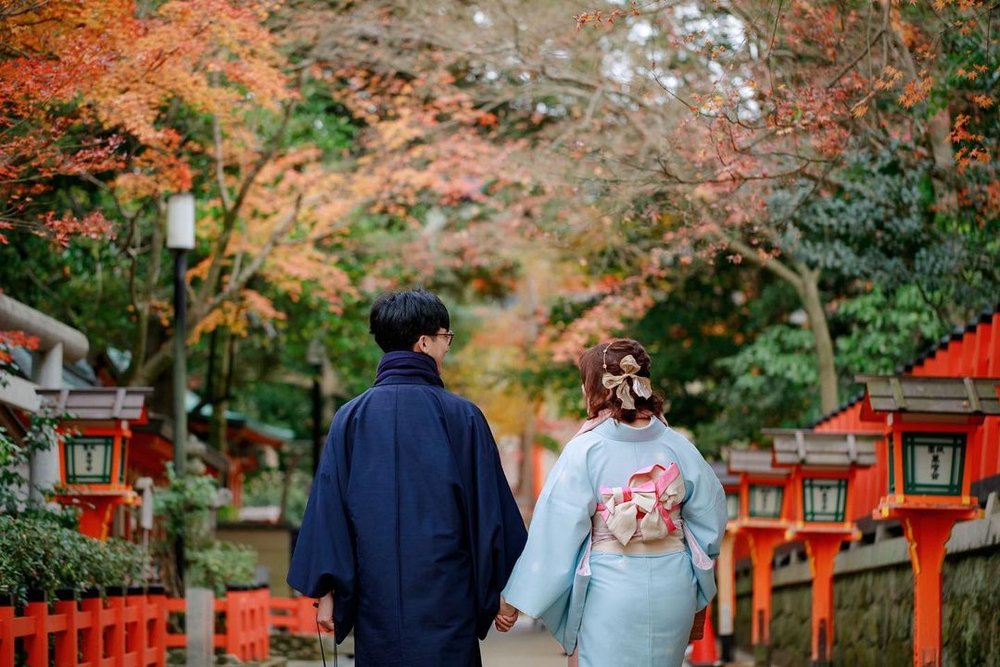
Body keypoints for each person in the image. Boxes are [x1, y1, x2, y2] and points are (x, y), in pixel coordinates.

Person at [287, 288, 527, 666]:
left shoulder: (351, 417)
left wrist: (328, 591)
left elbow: (328, 511)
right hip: (448, 597)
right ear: (424, 342)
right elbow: (489, 511)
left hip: (375, 598)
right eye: (445, 337)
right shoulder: (462, 417)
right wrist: (504, 590)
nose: (447, 347)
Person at [495, 338, 727, 667]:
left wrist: (513, 599)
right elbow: (711, 520)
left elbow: (555, 537)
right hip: (674, 588)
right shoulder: (679, 446)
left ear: (594, 387)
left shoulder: (586, 449)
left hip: (611, 589)